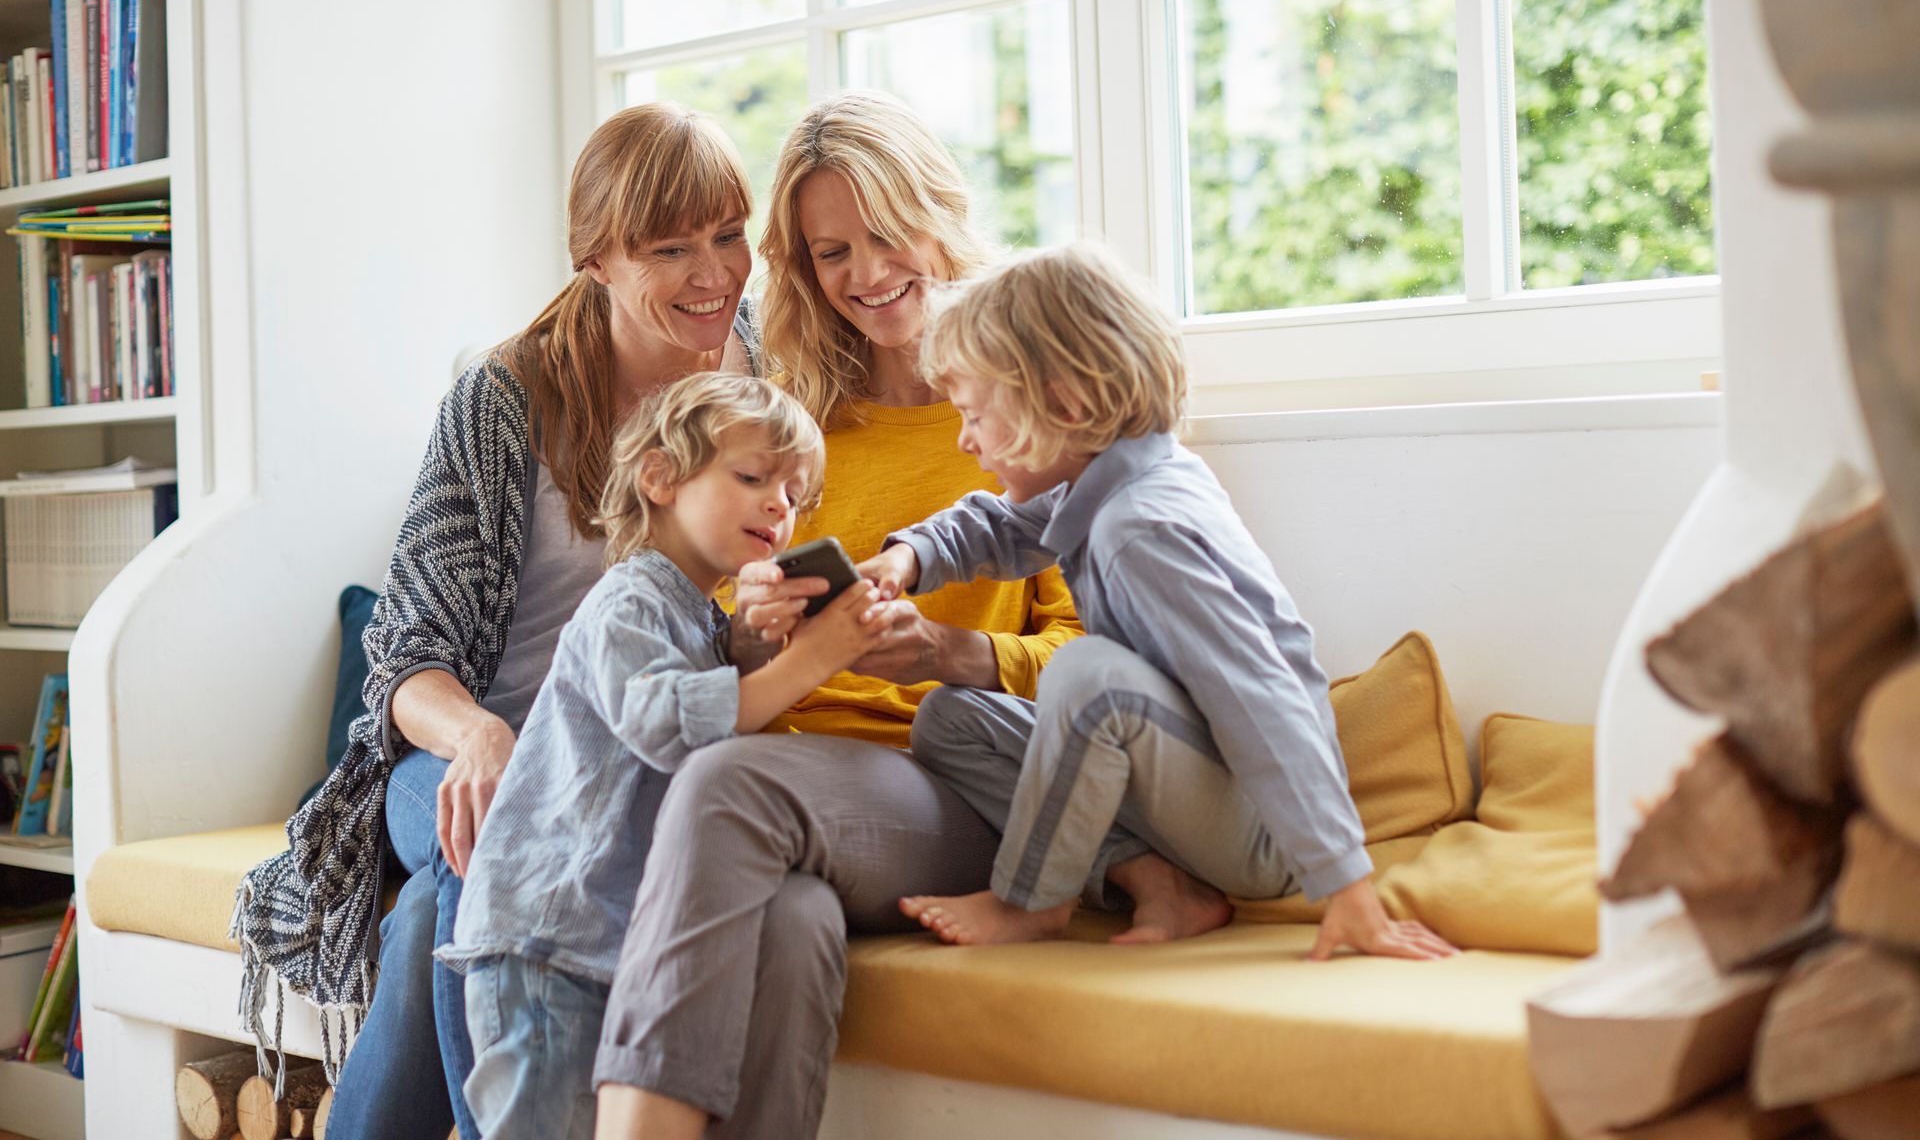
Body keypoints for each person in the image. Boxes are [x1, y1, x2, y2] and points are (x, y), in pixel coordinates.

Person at [232, 102, 760, 1140]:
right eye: (671, 247)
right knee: (488, 838)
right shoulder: (504, 398)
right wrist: (478, 733)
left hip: (644, 751)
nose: (715, 273)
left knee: (441, 904)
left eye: (730, 234)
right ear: (596, 257)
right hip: (473, 749)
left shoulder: (770, 383)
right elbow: (406, 659)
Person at [590, 90, 1081, 1140]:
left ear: (938, 212)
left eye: (885, 232)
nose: (864, 273)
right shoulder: (802, 427)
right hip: (808, 794)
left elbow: (1095, 662)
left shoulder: (1027, 415)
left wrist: (952, 650)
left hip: (967, 783)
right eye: (828, 252)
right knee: (791, 916)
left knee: (723, 778)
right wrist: (751, 625)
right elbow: (721, 630)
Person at [867, 241, 1458, 961]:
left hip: (1256, 828)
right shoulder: (1108, 482)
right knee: (950, 719)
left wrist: (1345, 883)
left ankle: (1034, 901)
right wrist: (906, 558)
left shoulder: (1141, 527)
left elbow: (1260, 698)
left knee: (1084, 676)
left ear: (1064, 404)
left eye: (974, 415)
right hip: (1176, 781)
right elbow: (999, 524)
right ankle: (1164, 884)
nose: (964, 440)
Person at [445, 372, 888, 1139]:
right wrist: (814, 659)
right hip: (554, 938)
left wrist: (754, 644)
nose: (780, 506)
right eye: (752, 477)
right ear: (659, 478)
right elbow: (671, 724)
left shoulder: (698, 616)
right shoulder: (629, 601)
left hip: (609, 941)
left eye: (793, 493)